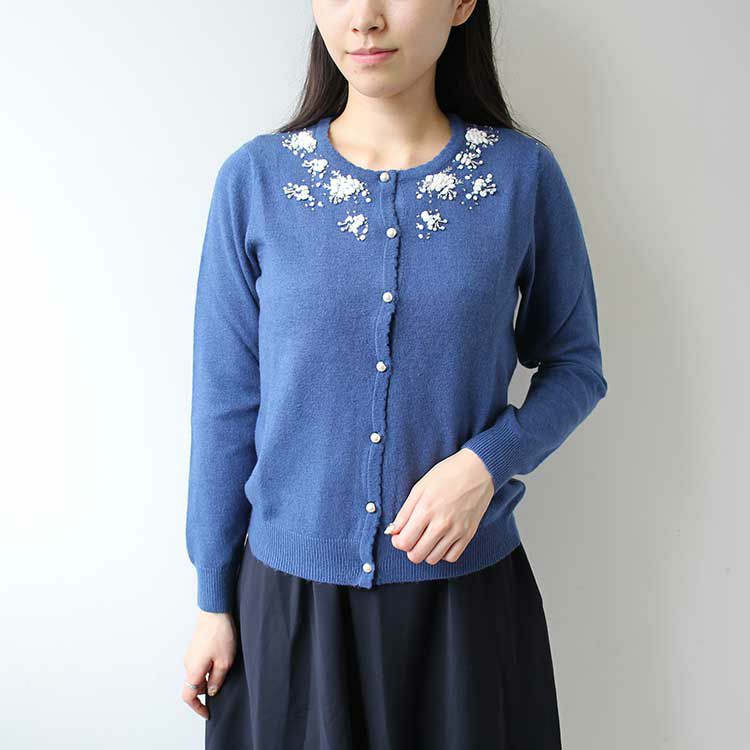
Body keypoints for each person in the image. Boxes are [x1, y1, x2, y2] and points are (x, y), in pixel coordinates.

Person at [182, 1, 608, 747]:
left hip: (461, 611)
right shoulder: (255, 181)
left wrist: (484, 465)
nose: (365, 18)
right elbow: (225, 404)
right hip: (289, 608)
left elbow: (575, 366)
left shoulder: (520, 177)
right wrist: (213, 602)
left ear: (461, 4)